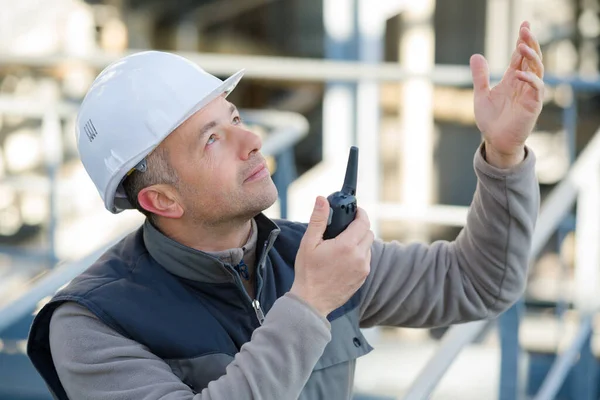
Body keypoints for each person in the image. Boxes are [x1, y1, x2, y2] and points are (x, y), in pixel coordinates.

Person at [27, 21, 543, 400]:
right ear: (161, 200)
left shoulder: (307, 255)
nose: (251, 140)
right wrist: (309, 304)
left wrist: (503, 155)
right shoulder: (92, 325)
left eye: (234, 116)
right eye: (213, 140)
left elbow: (478, 283)